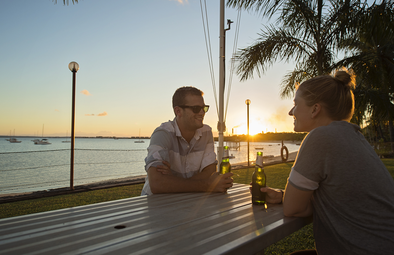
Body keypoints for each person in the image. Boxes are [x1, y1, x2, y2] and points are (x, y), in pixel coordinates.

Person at [260, 70, 394, 254]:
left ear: (315, 109)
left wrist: (288, 200)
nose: (291, 112)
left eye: (296, 104)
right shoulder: (354, 136)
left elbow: (293, 209)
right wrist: (283, 196)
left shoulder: (320, 137)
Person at [141, 86, 233, 195]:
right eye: (196, 109)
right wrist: (207, 185)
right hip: (156, 205)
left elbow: (210, 172)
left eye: (204, 108)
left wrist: (173, 180)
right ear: (178, 111)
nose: (202, 113)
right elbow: (157, 184)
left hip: (188, 202)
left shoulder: (206, 132)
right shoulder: (162, 134)